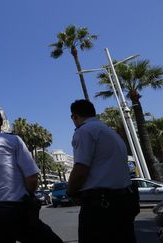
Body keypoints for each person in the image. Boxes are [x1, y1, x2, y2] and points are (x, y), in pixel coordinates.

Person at [0, 107, 63, 243]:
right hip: (18, 211)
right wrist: (28, 194)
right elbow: (32, 177)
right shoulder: (14, 141)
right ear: (0, 122)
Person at [67, 99, 138, 243]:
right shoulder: (110, 133)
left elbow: (81, 169)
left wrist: (70, 191)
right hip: (123, 202)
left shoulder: (84, 131)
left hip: (100, 208)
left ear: (74, 116)